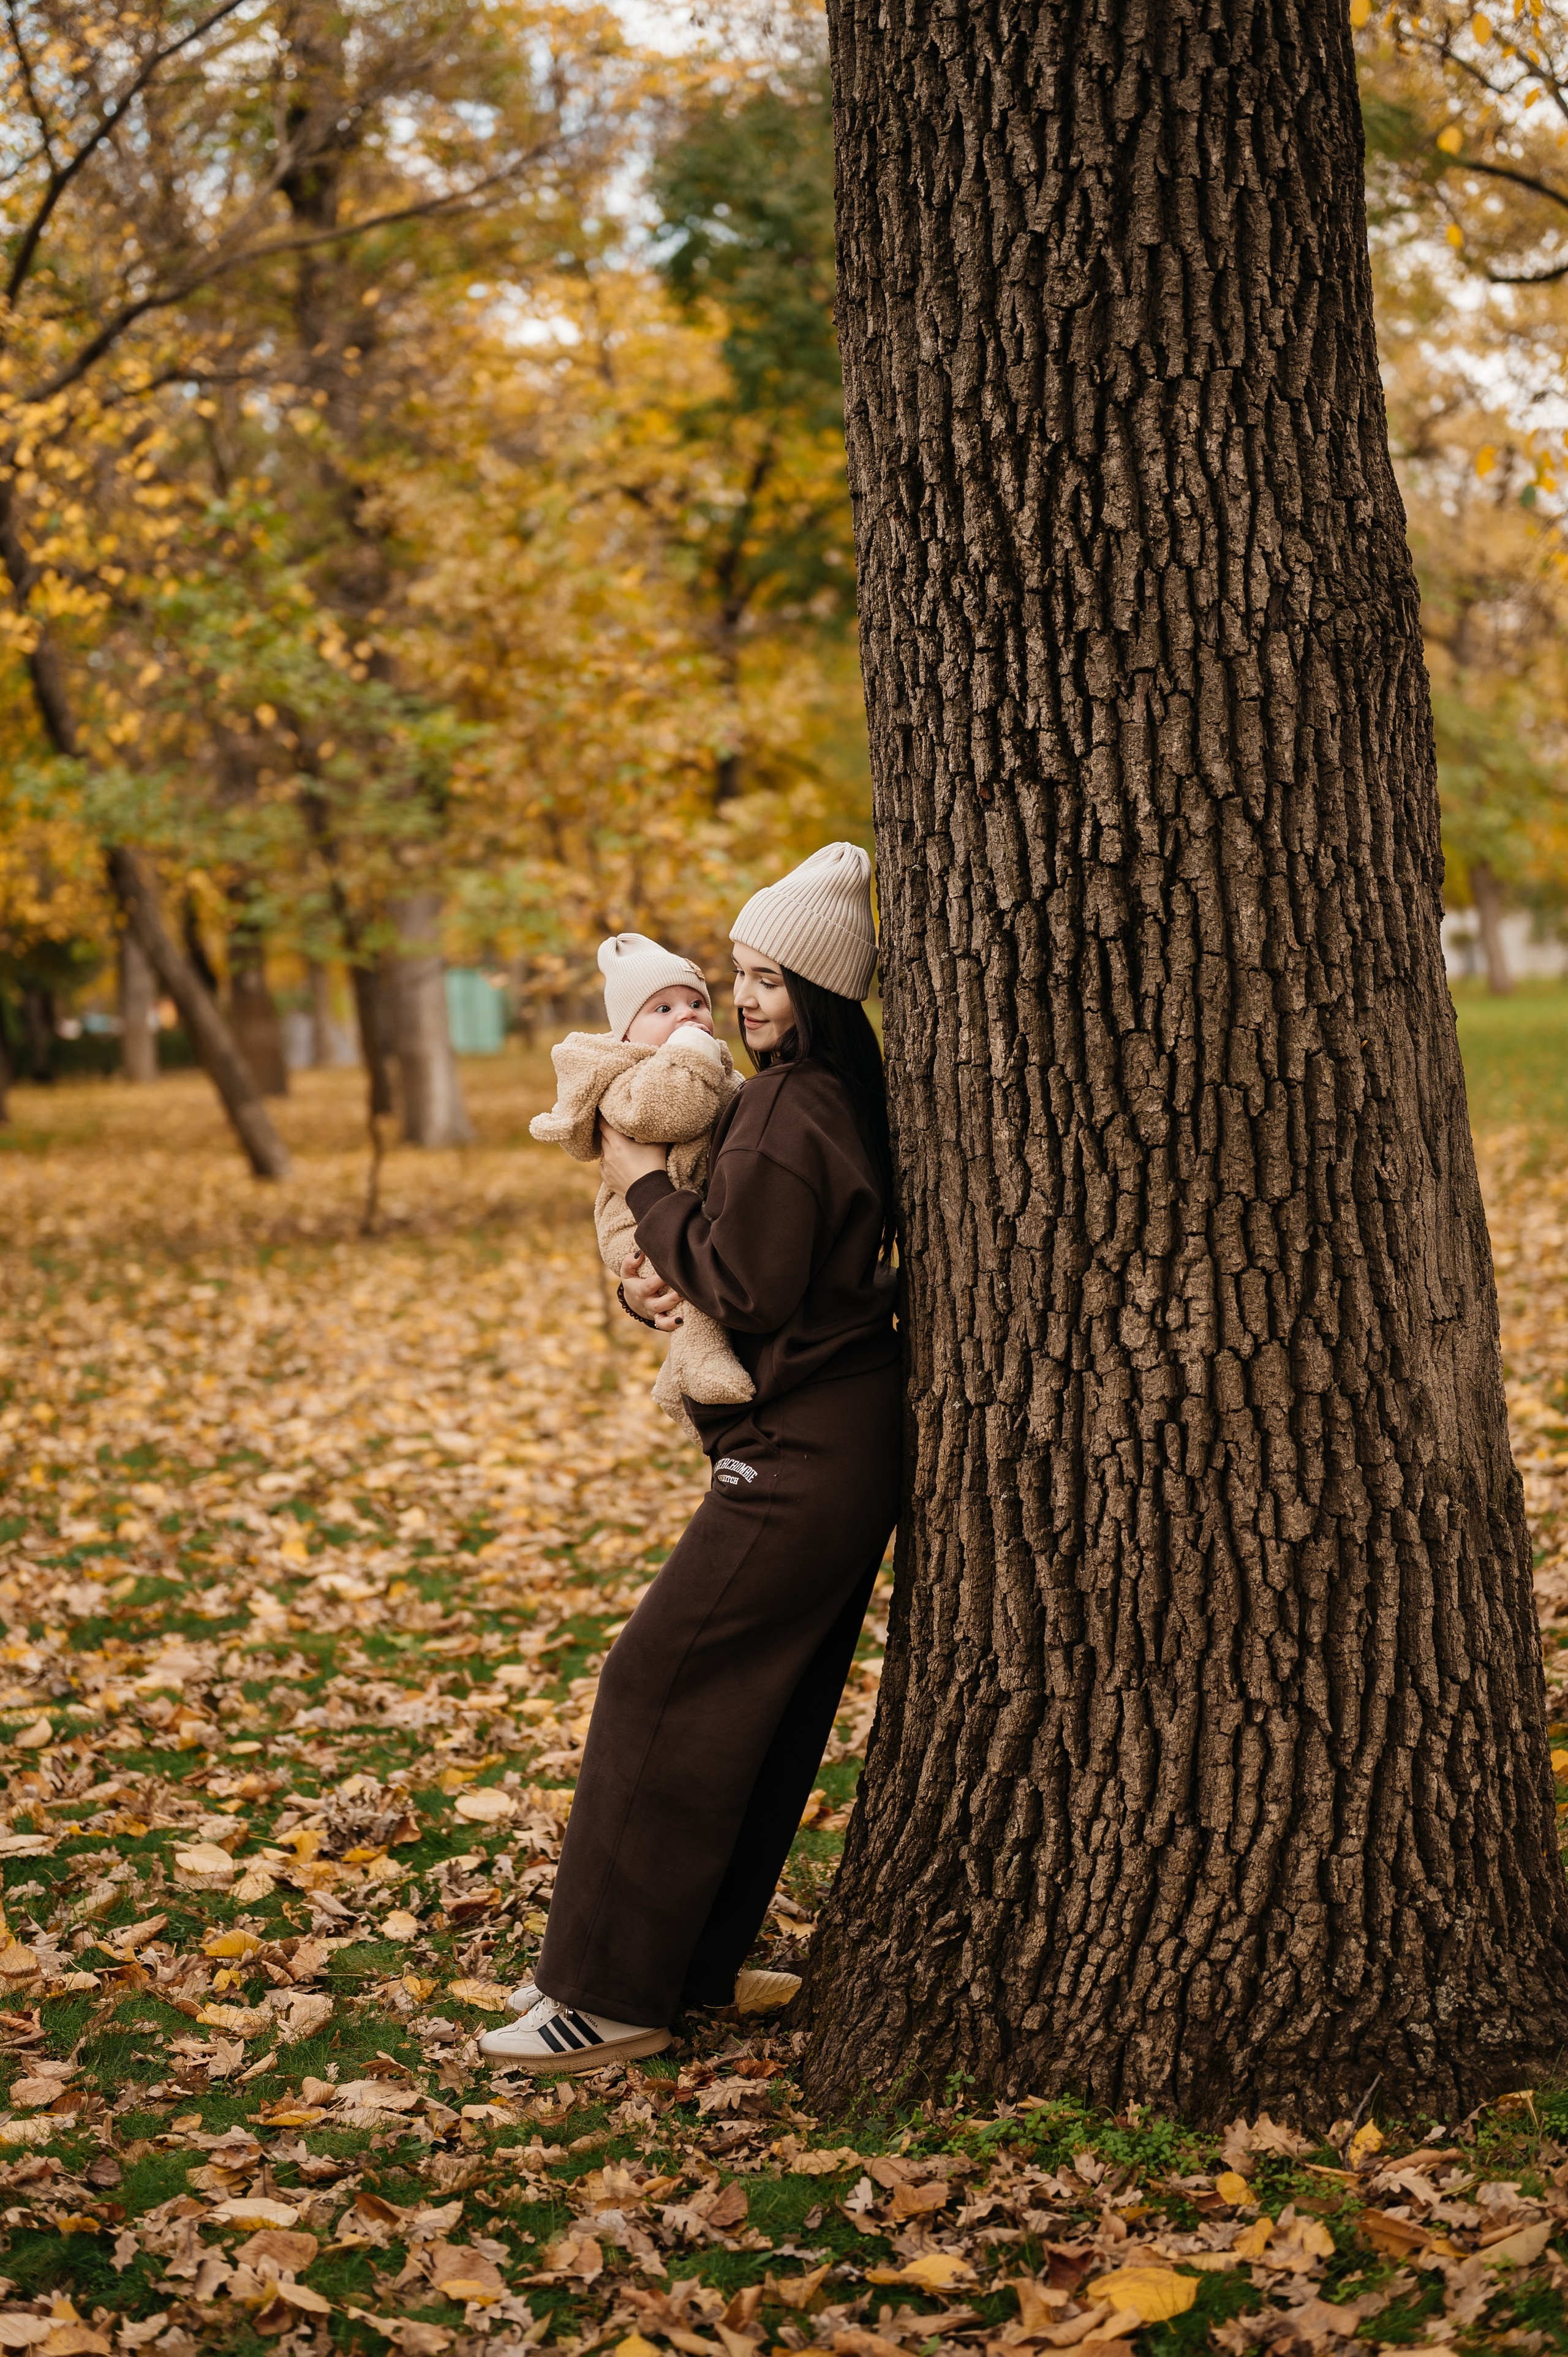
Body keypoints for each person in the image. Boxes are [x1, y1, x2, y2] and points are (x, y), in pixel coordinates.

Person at [481, 842, 901, 2072]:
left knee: (655, 1685)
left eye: (773, 978)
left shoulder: (778, 1106)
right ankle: (697, 1961)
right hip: (846, 1435)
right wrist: (665, 1267)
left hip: (799, 1449)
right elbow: (748, 1266)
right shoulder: (834, 1097)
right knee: (761, 1708)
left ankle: (606, 1995)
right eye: (739, 974)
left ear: (821, 991)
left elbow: (744, 1285)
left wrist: (636, 1178)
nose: (750, 998)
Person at [527, 933, 753, 1437]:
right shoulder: (628, 1078)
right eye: (664, 1008)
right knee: (689, 1300)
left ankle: (678, 1386)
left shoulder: (704, 1065)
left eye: (697, 1004)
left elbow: (736, 1109)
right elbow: (673, 1113)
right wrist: (694, 1053)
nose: (687, 1017)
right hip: (633, 1223)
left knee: (693, 1288)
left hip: (681, 1212)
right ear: (628, 1035)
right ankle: (698, 1370)